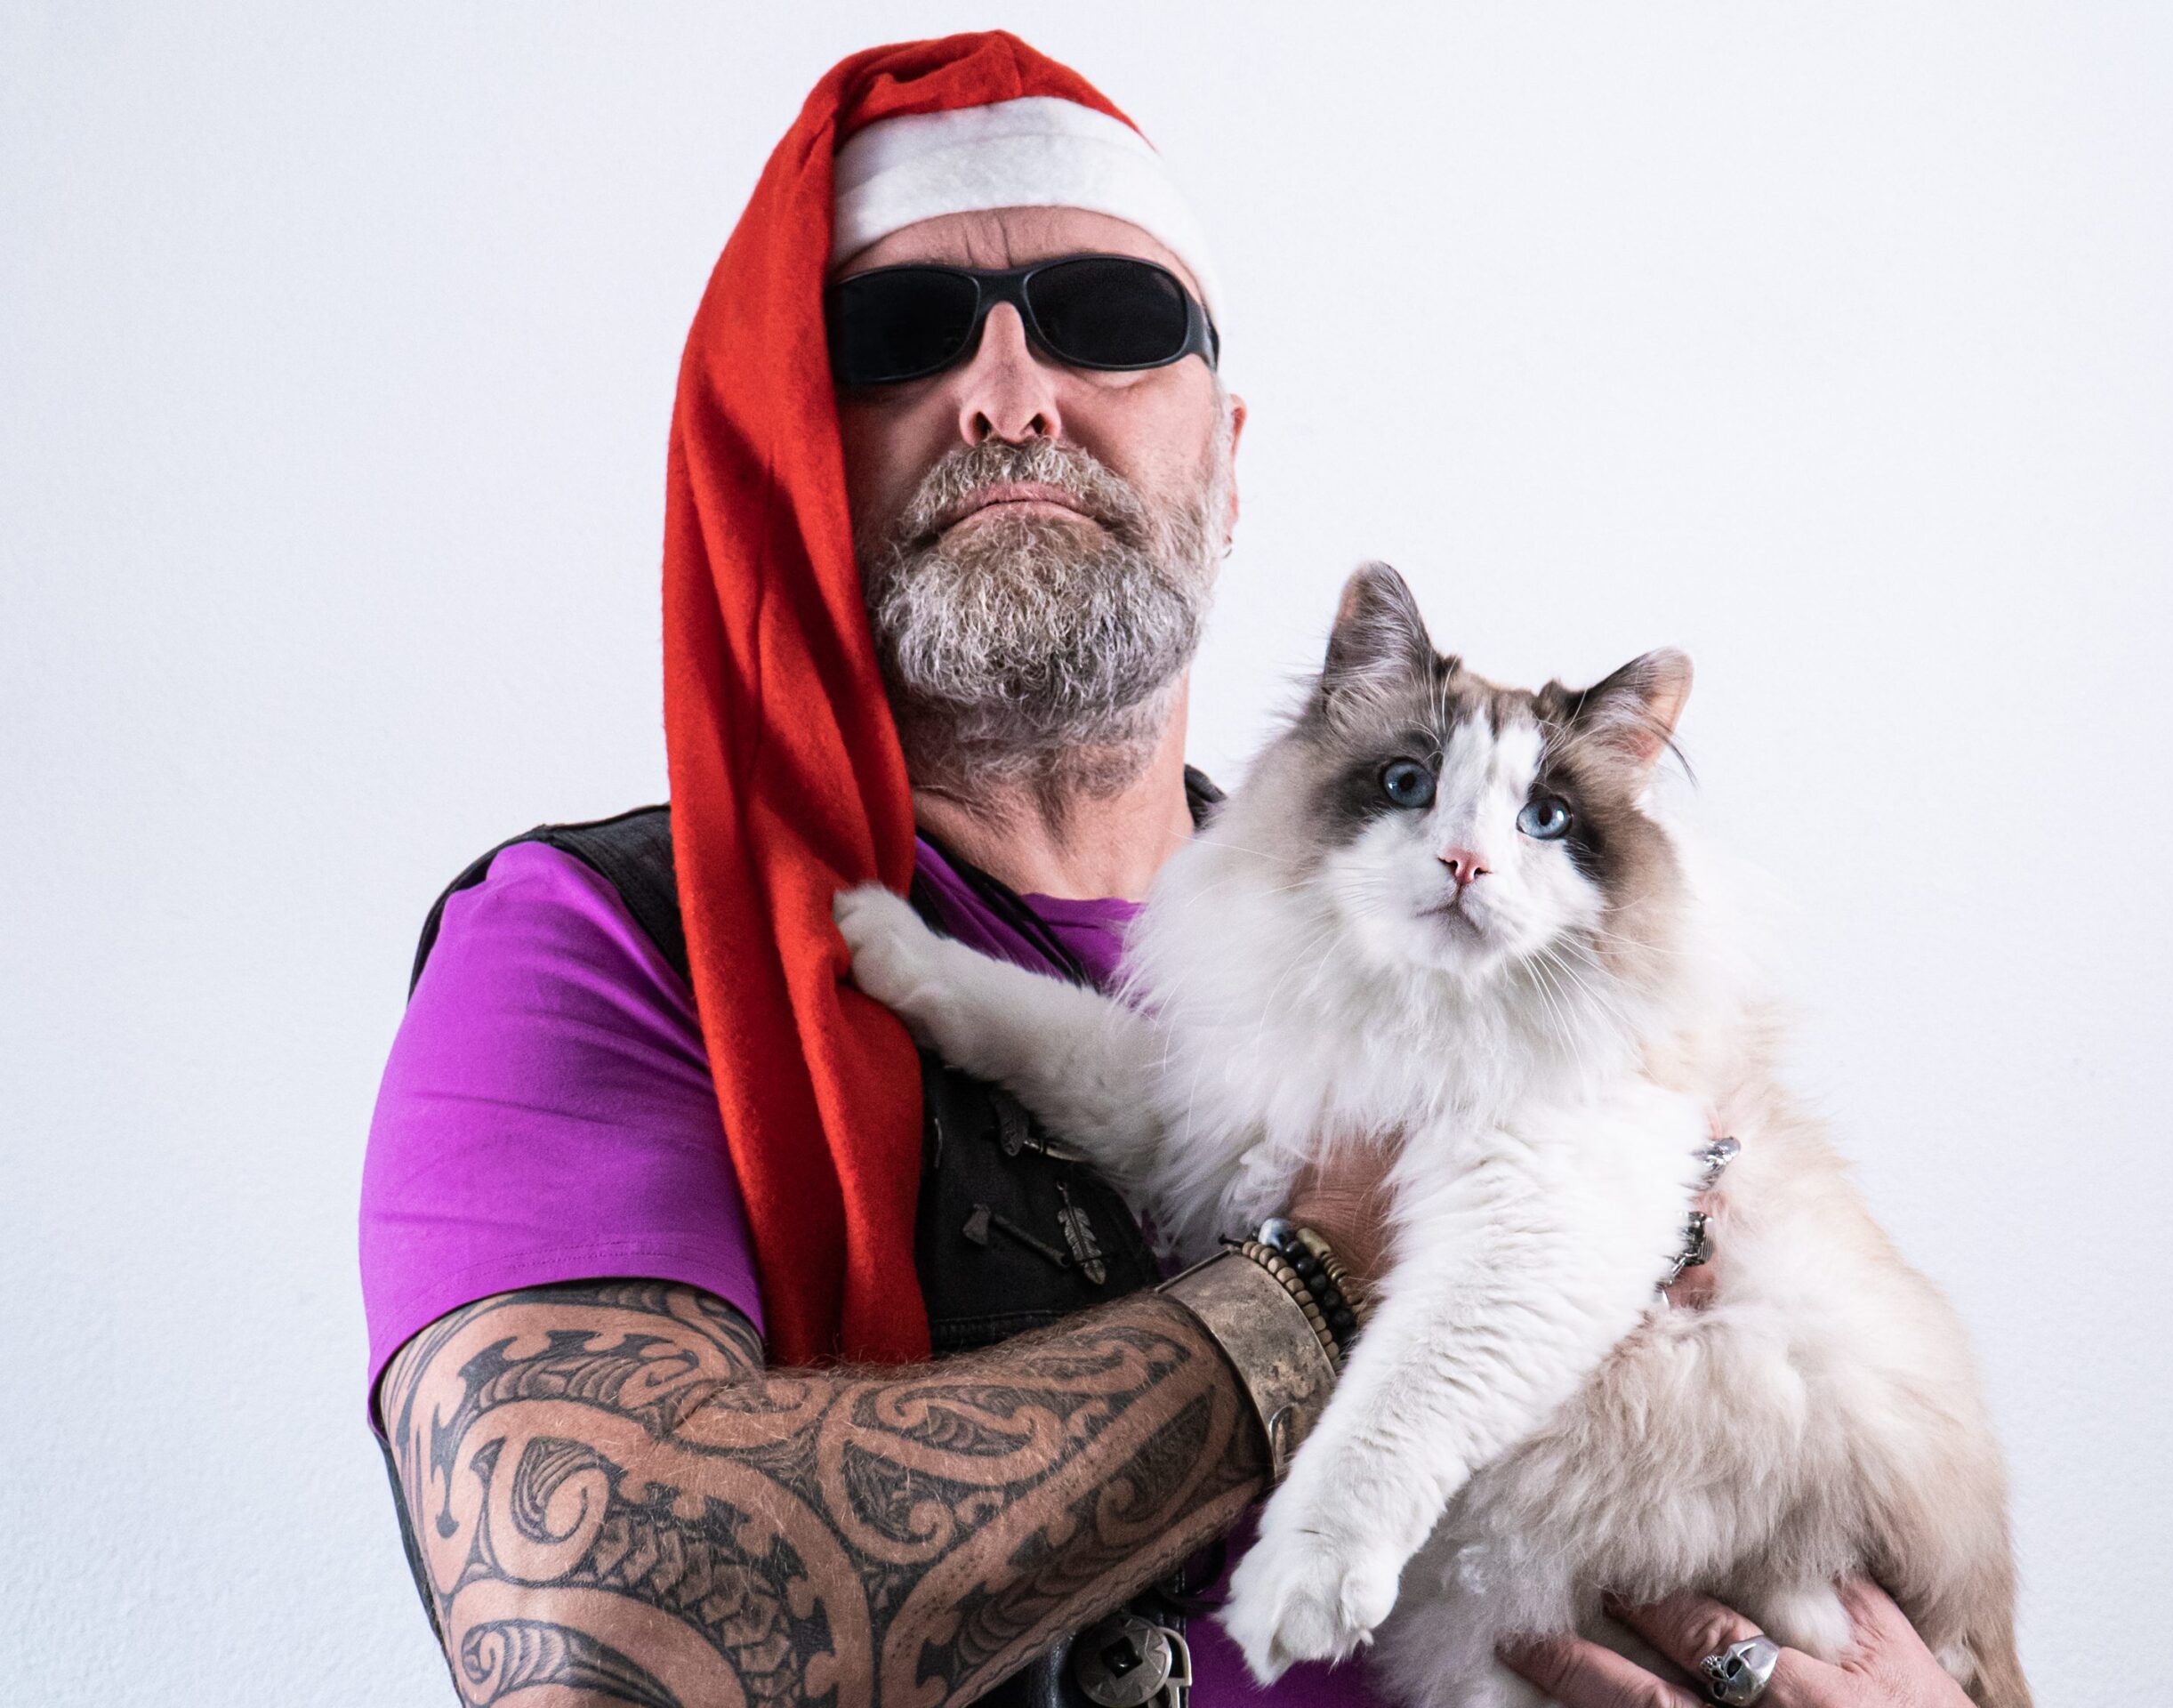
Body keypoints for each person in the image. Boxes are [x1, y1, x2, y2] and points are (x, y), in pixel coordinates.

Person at [361, 32, 1977, 1708]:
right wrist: (1332, 1258)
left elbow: (1878, 1515)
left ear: (1229, 456)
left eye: (1111, 323)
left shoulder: (1537, 970)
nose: (1010, 394)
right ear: (794, 460)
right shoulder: (599, 948)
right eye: (899, 339)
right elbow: (603, 1633)